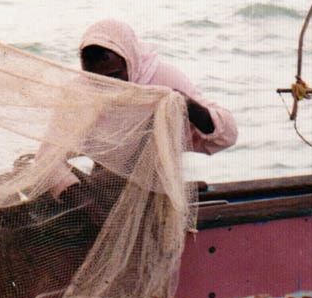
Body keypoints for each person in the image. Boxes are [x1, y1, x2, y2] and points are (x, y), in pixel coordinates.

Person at [43, 18, 238, 200]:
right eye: (97, 80)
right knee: (26, 168)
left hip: (157, 189)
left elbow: (227, 135)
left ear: (130, 61)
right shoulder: (81, 92)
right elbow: (47, 157)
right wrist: (81, 200)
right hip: (105, 187)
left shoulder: (162, 79)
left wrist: (186, 105)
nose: (107, 85)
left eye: (114, 75)